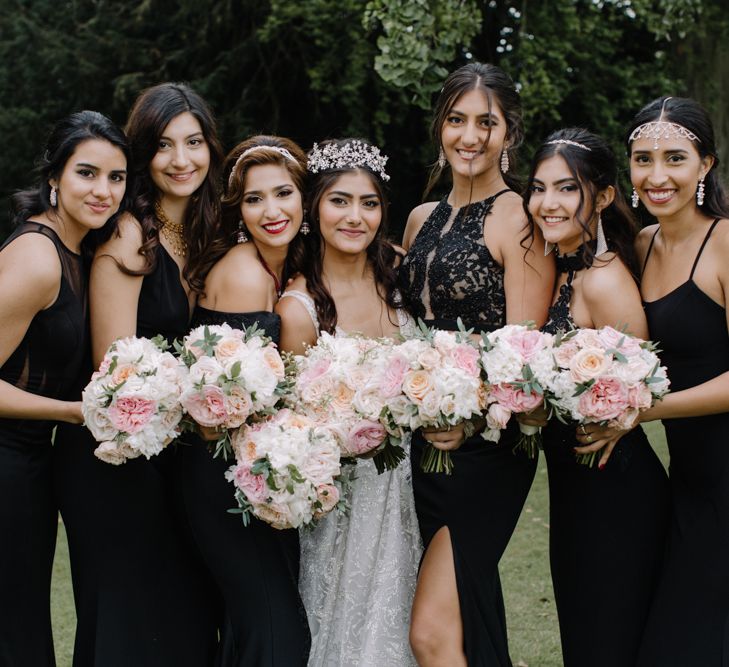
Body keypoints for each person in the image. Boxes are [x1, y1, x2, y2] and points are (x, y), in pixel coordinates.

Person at [53, 83, 222, 666]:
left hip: (175, 462)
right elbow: (115, 371)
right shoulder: (128, 233)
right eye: (164, 145)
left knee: (181, 626)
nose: (182, 160)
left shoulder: (203, 234)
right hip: (117, 463)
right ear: (144, 155)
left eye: (194, 142)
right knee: (128, 633)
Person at [398, 62, 554, 666]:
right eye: (456, 120)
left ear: (509, 133)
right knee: (468, 613)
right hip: (424, 441)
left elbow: (526, 351)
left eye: (486, 123)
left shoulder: (519, 218)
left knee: (432, 633)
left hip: (490, 447)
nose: (470, 136)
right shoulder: (419, 219)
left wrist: (470, 416)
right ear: (440, 127)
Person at [577, 96, 729, 666]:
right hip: (688, 481)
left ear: (706, 165)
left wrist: (644, 410)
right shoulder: (641, 244)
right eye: (643, 159)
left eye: (675, 158)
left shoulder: (726, 244)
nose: (657, 175)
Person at [522, 127, 670, 666]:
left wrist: (621, 418)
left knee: (606, 643)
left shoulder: (604, 279)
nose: (547, 203)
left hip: (616, 489)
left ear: (604, 196)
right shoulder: (564, 270)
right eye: (538, 188)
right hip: (574, 485)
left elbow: (643, 379)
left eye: (566, 189)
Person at [276, 138, 422, 667]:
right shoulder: (298, 309)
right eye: (339, 200)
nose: (355, 216)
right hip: (343, 501)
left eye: (369, 202)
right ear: (314, 208)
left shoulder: (400, 277)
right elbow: (294, 426)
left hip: (413, 485)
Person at [176, 135, 312, 666]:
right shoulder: (243, 273)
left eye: (283, 193)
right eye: (255, 199)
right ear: (239, 209)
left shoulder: (286, 266)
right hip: (222, 477)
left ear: (305, 197)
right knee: (276, 633)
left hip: (256, 469)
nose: (271, 211)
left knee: (254, 628)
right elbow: (231, 402)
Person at [0, 110, 128, 666]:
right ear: (55, 177)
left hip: (28, 464)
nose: (103, 191)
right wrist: (77, 412)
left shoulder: (78, 250)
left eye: (116, 177)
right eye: (87, 173)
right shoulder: (38, 258)